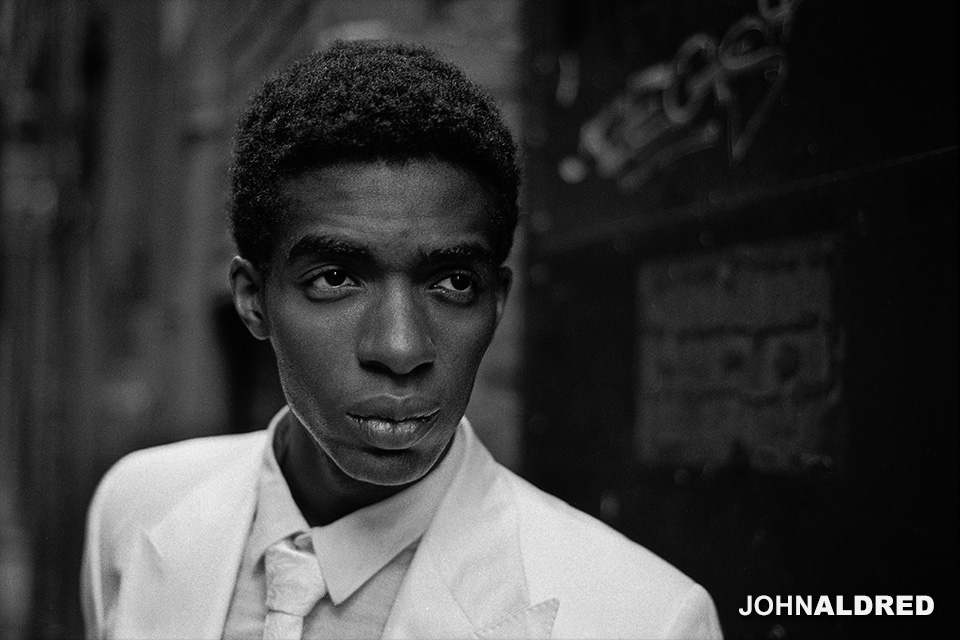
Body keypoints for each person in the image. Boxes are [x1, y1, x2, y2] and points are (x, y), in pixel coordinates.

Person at [81, 41, 722, 640]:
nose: (400, 348)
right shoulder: (137, 509)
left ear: (497, 303)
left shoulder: (647, 620)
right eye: (335, 278)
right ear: (253, 299)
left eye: (450, 282)